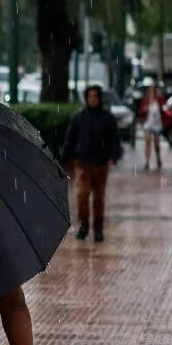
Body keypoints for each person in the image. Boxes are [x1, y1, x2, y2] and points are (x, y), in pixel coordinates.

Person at [61, 84, 122, 242]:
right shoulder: (79, 117)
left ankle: (98, 229)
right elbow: (70, 138)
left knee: (98, 198)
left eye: (95, 96)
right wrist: (65, 156)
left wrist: (114, 155)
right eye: (90, 96)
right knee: (82, 196)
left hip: (101, 164)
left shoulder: (107, 118)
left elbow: (114, 139)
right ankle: (84, 226)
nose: (92, 99)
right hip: (82, 163)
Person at [140, 85, 165, 170]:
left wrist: (160, 95)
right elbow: (140, 111)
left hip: (157, 124)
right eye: (150, 91)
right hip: (148, 123)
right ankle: (147, 161)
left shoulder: (159, 100)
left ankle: (158, 157)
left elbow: (164, 107)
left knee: (156, 144)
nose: (151, 93)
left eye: (153, 91)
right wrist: (144, 109)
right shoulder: (146, 101)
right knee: (147, 141)